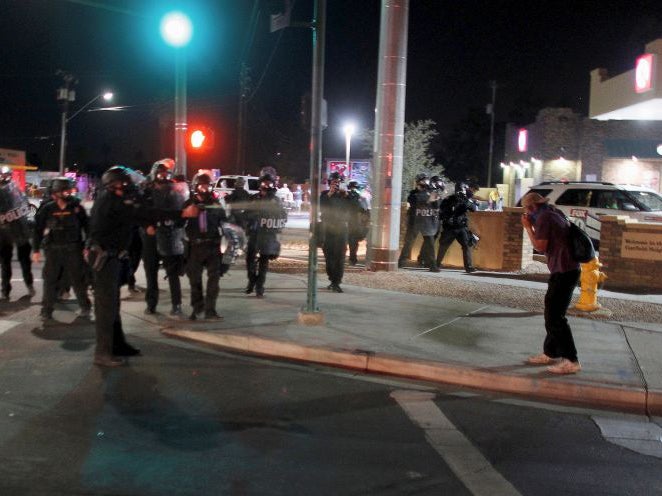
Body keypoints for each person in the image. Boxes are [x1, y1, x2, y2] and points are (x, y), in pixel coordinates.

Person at [87, 165, 198, 367]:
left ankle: (118, 346)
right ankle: (102, 353)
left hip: (114, 259)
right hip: (104, 260)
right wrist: (181, 213)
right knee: (105, 309)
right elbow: (148, 212)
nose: (128, 185)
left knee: (113, 306)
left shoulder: (117, 199)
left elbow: (142, 215)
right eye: (124, 182)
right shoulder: (110, 202)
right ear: (112, 184)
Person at [521, 192, 582, 374]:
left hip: (564, 271)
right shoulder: (554, 212)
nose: (526, 212)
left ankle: (571, 360)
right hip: (566, 269)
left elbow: (540, 246)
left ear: (532, 208)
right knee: (552, 313)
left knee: (556, 317)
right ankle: (551, 352)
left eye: (526, 209)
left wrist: (527, 227)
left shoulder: (544, 218)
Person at [32, 177, 91, 321]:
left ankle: (85, 306)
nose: (67, 194)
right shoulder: (47, 208)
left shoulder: (76, 207)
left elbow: (88, 227)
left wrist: (87, 246)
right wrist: (36, 250)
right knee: (50, 280)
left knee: (77, 280)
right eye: (63, 191)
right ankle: (46, 310)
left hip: (73, 249)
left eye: (67, 191)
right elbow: (38, 230)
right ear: (56, 192)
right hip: (53, 250)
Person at [140, 158, 187, 316]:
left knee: (173, 272)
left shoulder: (174, 191)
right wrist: (147, 226)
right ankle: (151, 304)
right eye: (159, 174)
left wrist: (176, 225)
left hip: (168, 235)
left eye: (164, 173)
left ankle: (177, 304)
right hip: (151, 236)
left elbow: (181, 214)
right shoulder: (146, 191)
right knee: (150, 272)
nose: (162, 176)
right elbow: (140, 213)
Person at [184, 173, 226, 320]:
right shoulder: (189, 204)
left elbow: (225, 222)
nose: (205, 188)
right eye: (202, 185)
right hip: (195, 247)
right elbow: (179, 222)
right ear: (196, 187)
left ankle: (210, 310)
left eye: (207, 185)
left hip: (213, 246)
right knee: (194, 280)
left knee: (213, 280)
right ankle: (197, 308)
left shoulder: (216, 204)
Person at [244, 174, 287, 298]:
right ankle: (252, 281)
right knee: (250, 260)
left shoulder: (276, 200)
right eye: (264, 183)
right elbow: (247, 214)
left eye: (269, 183)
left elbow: (283, 216)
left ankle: (259, 287)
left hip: (268, 234)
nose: (266, 186)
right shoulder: (253, 198)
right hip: (254, 233)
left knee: (263, 261)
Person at [0, 166, 35, 300]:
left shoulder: (15, 190)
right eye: (3, 175)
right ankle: (5, 291)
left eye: (6, 175)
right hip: (4, 231)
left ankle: (29, 285)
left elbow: (25, 205)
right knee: (5, 262)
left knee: (24, 260)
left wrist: (25, 218)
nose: (4, 177)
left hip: (19, 228)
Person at [434, 182, 477, 273]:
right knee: (443, 246)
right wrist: (446, 218)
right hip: (449, 228)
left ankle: (468, 267)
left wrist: (466, 199)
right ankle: (436, 265)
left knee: (467, 245)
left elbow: (473, 209)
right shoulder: (449, 199)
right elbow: (441, 211)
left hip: (461, 227)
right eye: (462, 190)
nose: (463, 192)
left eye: (464, 190)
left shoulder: (465, 200)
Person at [399, 173, 439, 269]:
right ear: (418, 182)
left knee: (430, 244)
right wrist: (428, 200)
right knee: (409, 243)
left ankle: (433, 265)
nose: (426, 182)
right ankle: (400, 262)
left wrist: (434, 199)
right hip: (415, 221)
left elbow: (436, 205)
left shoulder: (431, 192)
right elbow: (414, 201)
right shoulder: (413, 193)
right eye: (423, 180)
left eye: (426, 180)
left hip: (427, 221)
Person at [320, 171, 350, 292]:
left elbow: (354, 208)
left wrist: (348, 195)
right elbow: (320, 206)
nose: (336, 184)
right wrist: (330, 194)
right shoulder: (324, 195)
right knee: (329, 257)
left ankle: (336, 281)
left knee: (340, 256)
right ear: (329, 183)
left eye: (338, 182)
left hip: (342, 229)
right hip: (327, 229)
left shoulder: (345, 196)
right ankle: (332, 279)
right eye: (333, 182)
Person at [346, 181, 370, 265]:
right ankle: (352, 259)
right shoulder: (361, 198)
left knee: (349, 241)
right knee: (353, 242)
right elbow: (366, 210)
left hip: (348, 222)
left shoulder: (345, 197)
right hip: (356, 222)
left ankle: (351, 258)